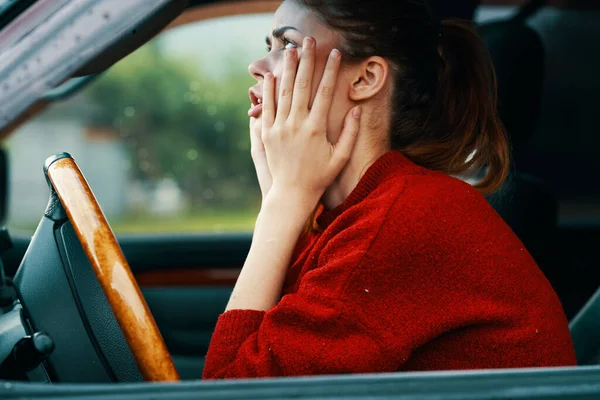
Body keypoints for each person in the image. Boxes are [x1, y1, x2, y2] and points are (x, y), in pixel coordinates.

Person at [202, 0, 576, 379]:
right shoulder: (355, 211)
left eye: (290, 46)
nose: (257, 66)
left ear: (366, 78)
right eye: (270, 47)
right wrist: (284, 198)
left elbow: (227, 388)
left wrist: (280, 207)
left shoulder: (404, 218)